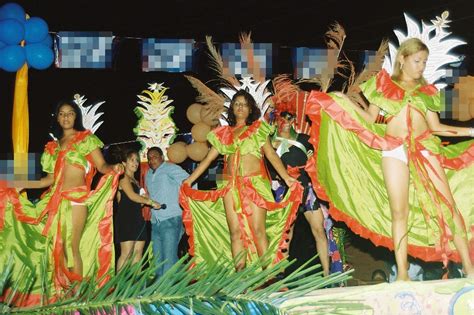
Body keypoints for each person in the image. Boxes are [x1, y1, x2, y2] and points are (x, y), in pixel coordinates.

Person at [305, 38, 474, 281]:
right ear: (403, 59)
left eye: (424, 62)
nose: (421, 67)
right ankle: (402, 274)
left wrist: (470, 131)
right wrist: (340, 104)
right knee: (399, 211)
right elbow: (369, 119)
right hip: (394, 150)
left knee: (449, 207)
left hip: (425, 148)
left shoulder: (427, 92)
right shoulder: (383, 85)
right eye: (417, 61)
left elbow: (435, 127)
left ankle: (469, 268)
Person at [0, 99, 122, 306]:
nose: (66, 117)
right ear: (57, 118)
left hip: (76, 199)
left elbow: (101, 166)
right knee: (53, 250)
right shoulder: (52, 148)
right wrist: (20, 184)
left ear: (76, 117)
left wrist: (114, 167)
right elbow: (48, 180)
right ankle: (60, 295)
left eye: (70, 113)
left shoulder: (86, 139)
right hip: (54, 202)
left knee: (71, 247)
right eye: (62, 114)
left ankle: (78, 296)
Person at [180, 89, 302, 270]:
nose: (240, 107)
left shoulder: (258, 130)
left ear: (250, 109)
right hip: (230, 186)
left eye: (244, 104)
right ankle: (240, 278)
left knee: (259, 231)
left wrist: (286, 178)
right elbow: (208, 159)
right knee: (235, 233)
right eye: (237, 103)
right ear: (232, 109)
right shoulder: (223, 133)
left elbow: (271, 155)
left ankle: (267, 276)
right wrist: (189, 180)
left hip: (256, 184)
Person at [271, 111, 330, 276]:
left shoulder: (304, 140)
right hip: (284, 191)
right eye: (282, 119)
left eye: (290, 118)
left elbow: (316, 163)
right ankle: (279, 276)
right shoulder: (269, 142)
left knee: (318, 229)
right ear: (276, 122)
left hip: (306, 189)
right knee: (285, 234)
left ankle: (327, 274)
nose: (286, 122)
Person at [145, 146, 188, 279]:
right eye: (149, 158)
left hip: (171, 219)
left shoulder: (171, 168)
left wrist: (185, 205)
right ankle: (159, 292)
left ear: (162, 157)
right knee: (158, 259)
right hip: (155, 222)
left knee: (169, 259)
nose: (152, 160)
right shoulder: (147, 174)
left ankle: (167, 292)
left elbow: (189, 182)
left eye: (155, 157)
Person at [115, 148, 161, 271]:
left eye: (137, 160)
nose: (135, 163)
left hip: (137, 219)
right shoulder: (123, 178)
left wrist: (144, 199)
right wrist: (150, 202)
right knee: (126, 254)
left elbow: (136, 203)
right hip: (126, 220)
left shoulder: (135, 181)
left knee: (138, 254)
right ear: (124, 163)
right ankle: (119, 287)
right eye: (132, 160)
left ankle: (135, 286)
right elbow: (131, 196)